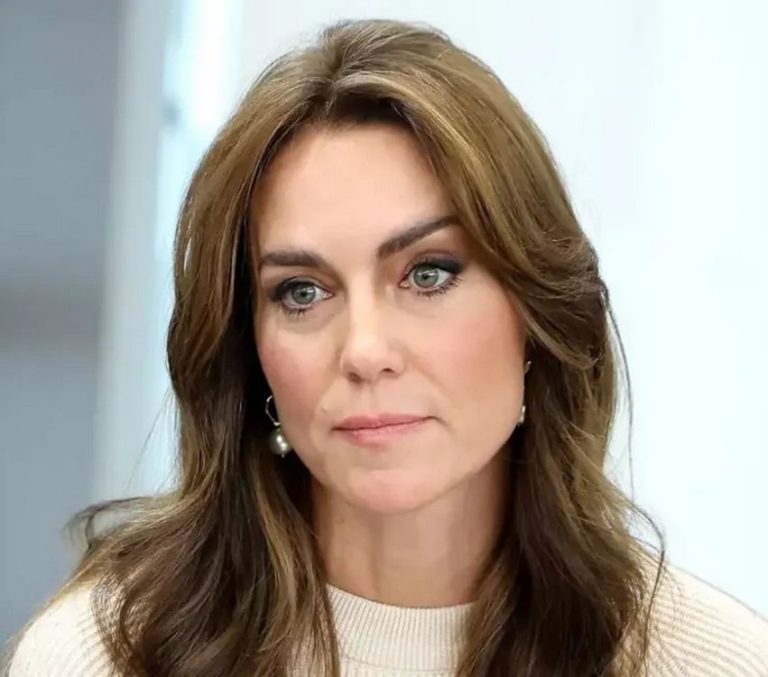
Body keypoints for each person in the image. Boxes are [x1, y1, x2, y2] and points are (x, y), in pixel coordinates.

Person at [5, 18, 768, 677]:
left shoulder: (707, 660)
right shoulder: (105, 654)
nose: (366, 350)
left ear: (537, 313)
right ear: (251, 349)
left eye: (428, 274)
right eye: (302, 291)